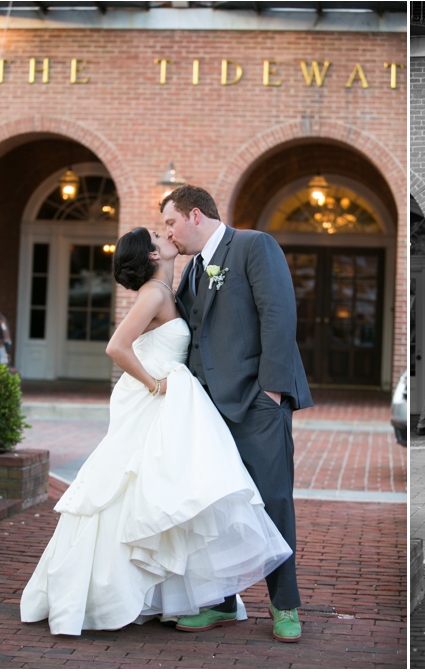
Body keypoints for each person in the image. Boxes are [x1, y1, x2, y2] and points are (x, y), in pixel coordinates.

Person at [20, 227, 293, 636]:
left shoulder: (177, 286)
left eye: (169, 225)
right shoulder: (156, 292)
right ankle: (107, 592)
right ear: (151, 255)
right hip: (156, 401)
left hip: (183, 405)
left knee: (164, 492)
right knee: (135, 491)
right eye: (159, 233)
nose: (167, 234)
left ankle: (179, 596)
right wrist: (155, 384)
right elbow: (117, 347)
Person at [162, 185, 312, 642]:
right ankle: (223, 601)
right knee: (219, 507)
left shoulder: (252, 245)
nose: (167, 233)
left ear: (193, 215)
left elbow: (278, 316)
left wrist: (272, 391)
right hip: (208, 410)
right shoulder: (188, 271)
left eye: (170, 223)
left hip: (256, 403)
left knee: (272, 501)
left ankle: (284, 606)